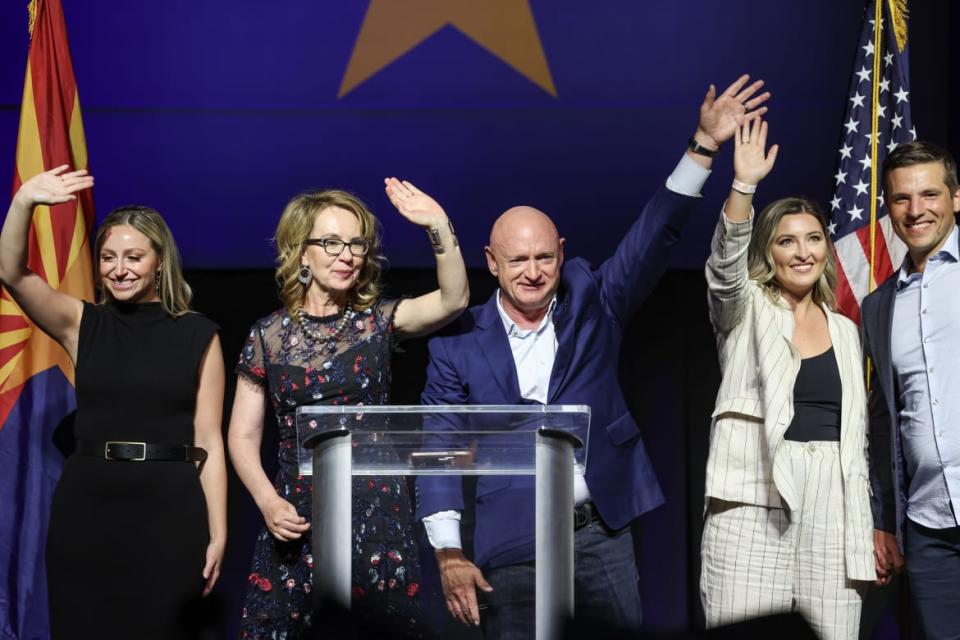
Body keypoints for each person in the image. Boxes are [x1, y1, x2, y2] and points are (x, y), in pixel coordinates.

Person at [415, 75, 770, 638]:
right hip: (512, 544)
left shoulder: (592, 298)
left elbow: (654, 234)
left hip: (599, 536)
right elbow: (436, 446)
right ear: (491, 263)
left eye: (543, 258)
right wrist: (447, 552)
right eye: (517, 262)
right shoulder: (457, 343)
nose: (532, 273)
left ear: (561, 253)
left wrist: (702, 146)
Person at [228, 179, 469, 638]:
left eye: (356, 243)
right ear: (302, 252)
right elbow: (241, 435)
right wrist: (266, 501)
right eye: (332, 242)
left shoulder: (377, 322)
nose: (347, 255)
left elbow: (453, 300)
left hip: (375, 519)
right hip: (297, 521)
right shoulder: (268, 337)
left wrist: (438, 225)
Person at [0, 167, 227, 639]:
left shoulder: (198, 334)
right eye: (108, 257)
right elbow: (13, 273)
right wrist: (23, 201)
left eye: (133, 256)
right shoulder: (81, 323)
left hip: (171, 512)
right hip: (89, 511)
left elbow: (209, 441)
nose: (119, 268)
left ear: (160, 261)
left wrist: (219, 530)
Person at [698, 117, 875, 639]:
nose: (803, 252)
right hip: (754, 497)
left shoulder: (845, 329)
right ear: (768, 253)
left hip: (834, 506)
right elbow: (724, 270)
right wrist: (744, 186)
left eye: (814, 239)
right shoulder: (746, 308)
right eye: (787, 241)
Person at [861, 141, 960, 639]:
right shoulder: (878, 307)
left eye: (929, 194)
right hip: (928, 528)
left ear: (956, 198)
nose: (916, 210)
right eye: (902, 199)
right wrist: (884, 517)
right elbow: (882, 422)